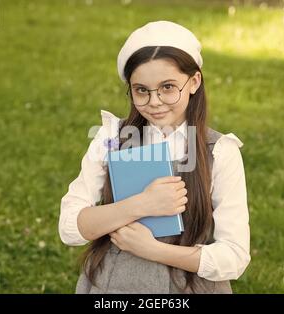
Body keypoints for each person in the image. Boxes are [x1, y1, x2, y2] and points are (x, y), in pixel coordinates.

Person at [59, 20, 250, 294]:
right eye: (141, 90)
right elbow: (70, 228)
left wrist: (152, 250)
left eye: (168, 87)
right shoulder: (111, 137)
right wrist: (141, 204)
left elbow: (234, 256)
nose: (155, 101)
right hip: (114, 287)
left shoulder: (219, 152)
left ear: (194, 81)